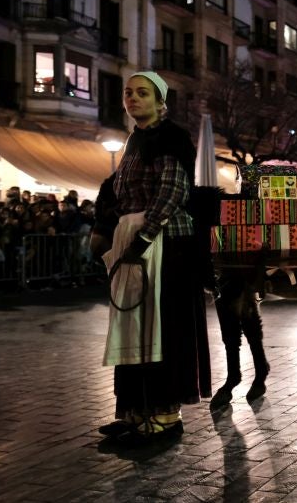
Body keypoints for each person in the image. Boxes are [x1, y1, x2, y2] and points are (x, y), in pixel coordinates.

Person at [95, 70, 211, 444]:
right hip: (133, 238)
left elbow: (172, 191)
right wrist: (107, 227)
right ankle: (133, 411)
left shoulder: (173, 137)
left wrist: (143, 238)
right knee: (133, 328)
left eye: (142, 93)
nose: (132, 98)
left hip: (166, 242)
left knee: (163, 329)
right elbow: (117, 189)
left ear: (160, 101)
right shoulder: (134, 141)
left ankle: (165, 414)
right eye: (128, 93)